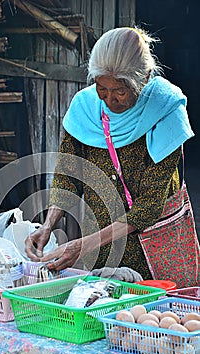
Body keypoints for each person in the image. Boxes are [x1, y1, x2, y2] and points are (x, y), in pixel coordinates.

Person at [24, 26, 195, 280]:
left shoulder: (166, 112)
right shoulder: (85, 109)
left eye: (120, 91)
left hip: (158, 251)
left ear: (145, 78)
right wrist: (48, 225)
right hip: (105, 250)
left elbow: (149, 206)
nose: (109, 100)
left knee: (159, 315)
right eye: (102, 89)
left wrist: (82, 245)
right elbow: (67, 176)